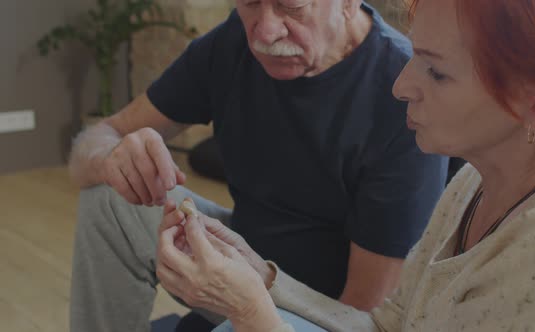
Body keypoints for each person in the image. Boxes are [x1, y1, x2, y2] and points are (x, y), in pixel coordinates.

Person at [155, 0, 535, 330]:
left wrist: (251, 311)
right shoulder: (476, 179)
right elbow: (390, 323)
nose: (401, 86)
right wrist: (262, 276)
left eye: (436, 72)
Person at [68, 0, 448, 331]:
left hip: (319, 314)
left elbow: (365, 317)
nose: (264, 31)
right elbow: (94, 141)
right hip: (244, 262)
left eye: (291, 6)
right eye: (250, 3)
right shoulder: (229, 44)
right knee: (108, 196)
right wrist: (113, 158)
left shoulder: (404, 93)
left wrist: (252, 304)